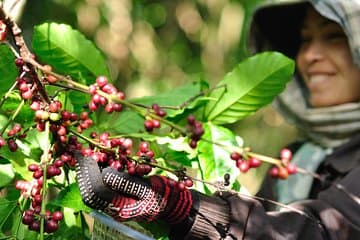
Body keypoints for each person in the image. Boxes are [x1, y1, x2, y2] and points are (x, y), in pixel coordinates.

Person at [75, 0, 360, 239]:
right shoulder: (297, 160)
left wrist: (183, 207)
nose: (309, 55)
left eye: (333, 36)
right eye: (305, 39)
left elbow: (325, 230)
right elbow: (263, 229)